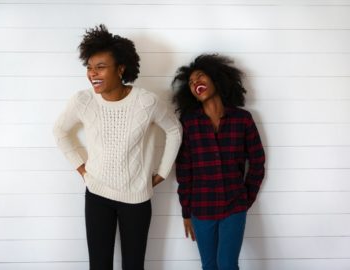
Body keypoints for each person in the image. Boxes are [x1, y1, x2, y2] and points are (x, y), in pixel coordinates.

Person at [53, 24, 182, 270]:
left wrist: (163, 172)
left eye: (101, 67)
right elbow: (60, 131)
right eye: (89, 68)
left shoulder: (147, 102)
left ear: (121, 68)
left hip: (137, 198)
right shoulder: (83, 100)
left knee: (134, 266)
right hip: (97, 194)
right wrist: (82, 169)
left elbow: (174, 130)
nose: (93, 74)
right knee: (99, 265)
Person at [172, 54, 265, 270]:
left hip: (234, 206)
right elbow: (184, 172)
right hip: (201, 209)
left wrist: (245, 198)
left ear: (216, 79)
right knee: (209, 266)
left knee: (227, 264)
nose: (196, 83)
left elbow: (258, 161)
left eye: (200, 77)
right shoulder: (189, 124)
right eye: (191, 82)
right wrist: (186, 212)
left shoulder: (243, 119)